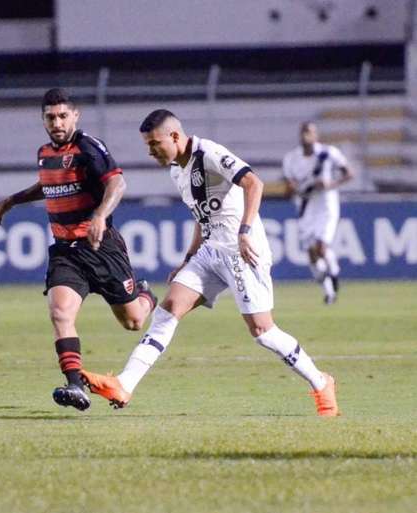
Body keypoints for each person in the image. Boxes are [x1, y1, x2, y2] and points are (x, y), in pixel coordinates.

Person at [80, 109, 340, 417]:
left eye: (154, 143)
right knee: (168, 310)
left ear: (175, 136)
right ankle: (124, 383)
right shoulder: (177, 170)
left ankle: (321, 382)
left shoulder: (209, 153)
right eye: (147, 145)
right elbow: (201, 217)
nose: (150, 151)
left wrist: (244, 231)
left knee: (262, 331)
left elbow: (254, 184)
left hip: (242, 252)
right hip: (210, 252)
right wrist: (188, 258)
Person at [0, 88, 157, 411]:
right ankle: (75, 384)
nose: (57, 122)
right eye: (51, 117)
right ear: (43, 119)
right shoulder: (44, 153)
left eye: (63, 116)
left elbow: (117, 183)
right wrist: (11, 201)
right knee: (60, 312)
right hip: (66, 251)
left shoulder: (88, 148)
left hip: (101, 247)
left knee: (133, 321)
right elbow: (48, 184)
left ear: (75, 116)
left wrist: (100, 216)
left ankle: (146, 295)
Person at [282, 121, 353, 304]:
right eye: (304, 131)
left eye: (310, 132)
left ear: (316, 135)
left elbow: (349, 173)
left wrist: (331, 184)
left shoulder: (328, 153)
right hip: (306, 207)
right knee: (312, 253)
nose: (307, 135)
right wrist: (296, 188)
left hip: (326, 205)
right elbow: (288, 190)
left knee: (321, 246)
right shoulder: (291, 159)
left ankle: (333, 278)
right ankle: (329, 290)